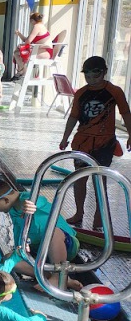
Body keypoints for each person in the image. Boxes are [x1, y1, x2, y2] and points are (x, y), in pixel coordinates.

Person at [59, 55, 131, 229]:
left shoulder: (114, 91)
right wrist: (65, 137)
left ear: (104, 72)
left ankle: (99, 217)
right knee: (79, 178)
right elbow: (73, 116)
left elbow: (126, 113)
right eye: (87, 76)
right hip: (82, 142)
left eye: (95, 75)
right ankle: (79, 213)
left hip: (104, 143)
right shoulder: (81, 93)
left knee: (100, 180)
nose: (91, 80)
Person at [0, 179, 83, 291]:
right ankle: (57, 278)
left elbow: (40, 200)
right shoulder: (13, 211)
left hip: (66, 246)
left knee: (53, 232)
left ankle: (57, 277)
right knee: (8, 259)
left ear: (6, 200)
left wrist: (31, 205)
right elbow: (19, 235)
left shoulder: (29, 198)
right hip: (41, 253)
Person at [11, 12, 52, 81]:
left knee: (17, 53)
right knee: (18, 52)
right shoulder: (41, 26)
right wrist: (19, 34)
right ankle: (22, 70)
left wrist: (21, 46)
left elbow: (28, 41)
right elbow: (26, 40)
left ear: (33, 20)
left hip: (44, 52)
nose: (30, 23)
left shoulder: (37, 26)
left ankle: (23, 71)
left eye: (30, 20)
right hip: (44, 51)